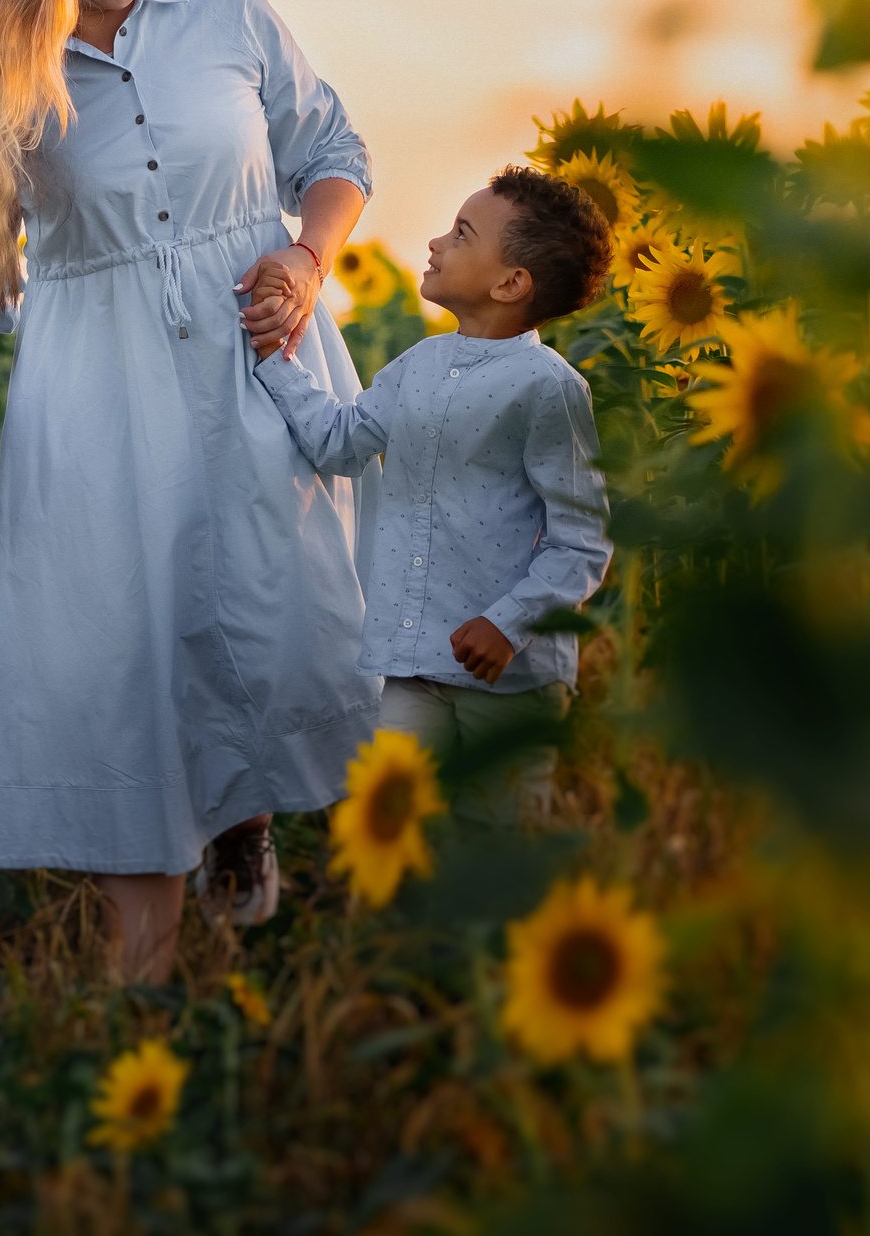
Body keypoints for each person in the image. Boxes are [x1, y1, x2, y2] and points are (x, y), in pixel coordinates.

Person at [0, 0, 380, 982]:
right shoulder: (1, 77)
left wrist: (305, 258)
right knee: (122, 640)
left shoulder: (228, 13)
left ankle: (243, 815)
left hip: (256, 362)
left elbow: (333, 150)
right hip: (99, 384)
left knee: (274, 609)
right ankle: (143, 960)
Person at [249, 166, 614, 823]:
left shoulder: (547, 387)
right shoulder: (419, 364)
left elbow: (581, 540)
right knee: (391, 826)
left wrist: (509, 625)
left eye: (462, 234)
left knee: (500, 836)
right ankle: (398, 927)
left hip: (507, 677)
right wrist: (279, 358)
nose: (436, 243)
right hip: (412, 659)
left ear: (510, 284)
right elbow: (341, 440)